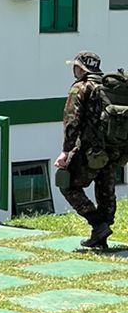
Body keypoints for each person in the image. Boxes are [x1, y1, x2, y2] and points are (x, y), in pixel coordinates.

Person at [55, 50, 117, 250]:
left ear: (80, 68)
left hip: (91, 150)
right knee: (105, 191)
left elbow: (72, 121)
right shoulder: (109, 87)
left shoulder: (80, 87)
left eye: (75, 66)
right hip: (114, 149)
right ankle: (102, 234)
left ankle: (98, 225)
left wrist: (66, 151)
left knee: (67, 185)